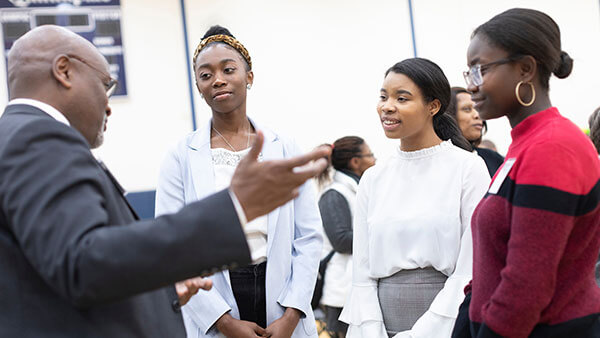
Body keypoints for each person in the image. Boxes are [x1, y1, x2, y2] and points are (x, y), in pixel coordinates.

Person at [0, 25, 329, 338]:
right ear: (64, 71)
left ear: (249, 77)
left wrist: (162, 283)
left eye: (229, 70)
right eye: (106, 86)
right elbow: (84, 262)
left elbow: (71, 260)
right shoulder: (37, 138)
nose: (109, 106)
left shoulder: (24, 136)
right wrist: (234, 209)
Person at [155, 25, 323, 338]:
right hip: (216, 298)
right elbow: (173, 247)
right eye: (205, 75)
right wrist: (224, 321)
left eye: (228, 69)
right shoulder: (180, 157)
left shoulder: (283, 147)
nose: (217, 79)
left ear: (249, 77)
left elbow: (309, 238)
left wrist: (291, 316)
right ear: (199, 87)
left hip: (283, 297)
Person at [452, 8, 600, 337]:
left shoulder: (553, 147)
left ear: (525, 69)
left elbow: (526, 284)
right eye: (469, 73)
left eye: (481, 70)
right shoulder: (525, 144)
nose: (472, 86)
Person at [339, 58, 490, 337]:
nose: (387, 106)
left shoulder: (467, 168)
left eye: (402, 98)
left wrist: (424, 332)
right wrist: (373, 330)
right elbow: (362, 271)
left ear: (433, 106)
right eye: (383, 97)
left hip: (448, 320)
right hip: (380, 325)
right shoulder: (373, 178)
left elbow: (472, 264)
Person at [316, 136, 376, 337]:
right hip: (341, 289)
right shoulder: (334, 194)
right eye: (371, 155)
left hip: (358, 283)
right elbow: (341, 240)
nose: (375, 160)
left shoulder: (360, 189)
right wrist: (381, 234)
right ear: (355, 161)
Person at [447, 86, 504, 177]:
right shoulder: (437, 160)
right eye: (467, 109)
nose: (477, 115)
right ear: (449, 114)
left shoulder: (494, 160)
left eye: (477, 109)